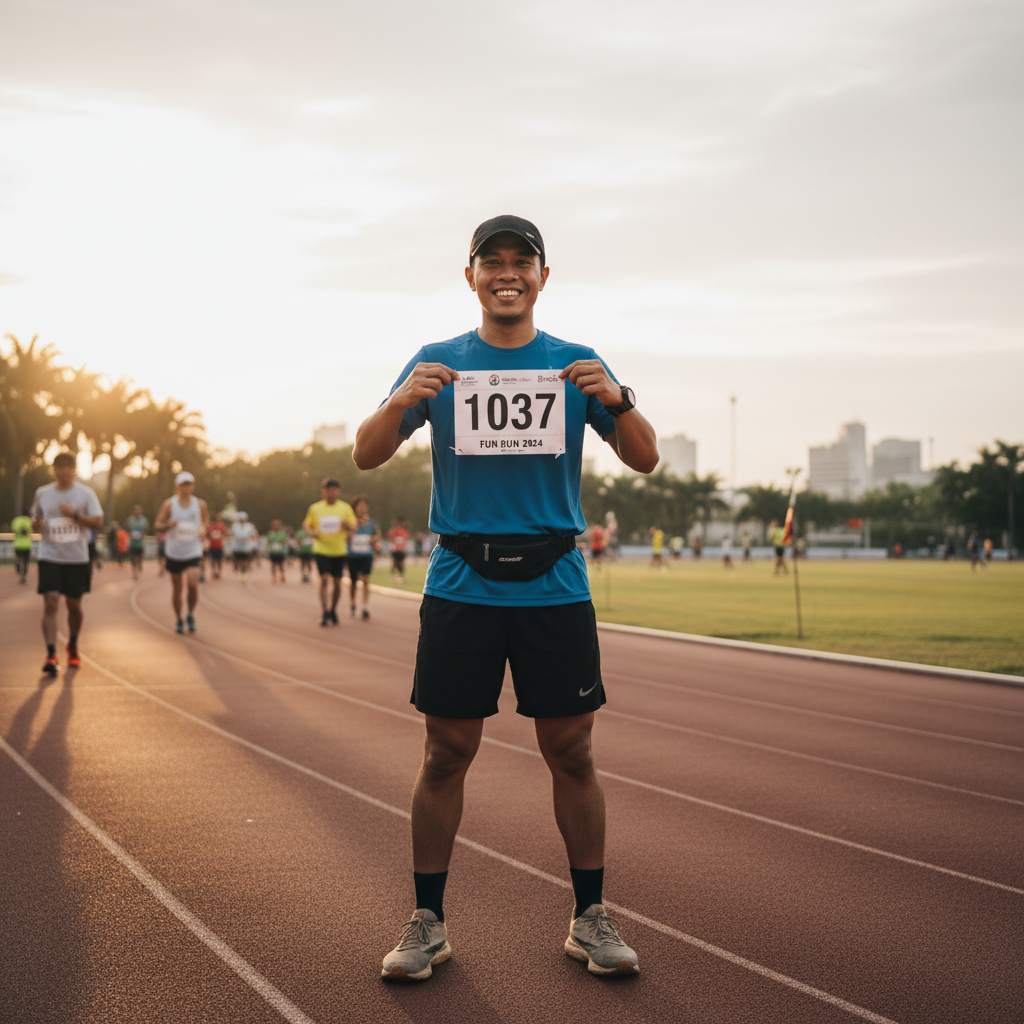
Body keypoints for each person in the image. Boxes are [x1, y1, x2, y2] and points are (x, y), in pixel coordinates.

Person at [353, 214, 658, 982]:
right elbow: (365, 453)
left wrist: (616, 399)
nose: (508, 273)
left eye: (523, 262)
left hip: (555, 585)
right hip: (463, 583)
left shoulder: (576, 363)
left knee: (573, 752)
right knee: (445, 753)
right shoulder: (437, 362)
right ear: (471, 277)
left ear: (543, 278)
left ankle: (589, 916)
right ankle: (427, 922)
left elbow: (645, 458)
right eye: (493, 262)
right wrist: (401, 403)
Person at [29, 452, 104, 673]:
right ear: (54, 470)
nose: (64, 471)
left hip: (77, 558)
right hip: (50, 555)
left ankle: (72, 645)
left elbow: (99, 523)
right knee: (51, 601)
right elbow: (35, 521)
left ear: (74, 470)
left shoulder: (85, 494)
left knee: (74, 605)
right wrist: (37, 524)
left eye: (68, 467)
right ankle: (51, 654)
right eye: (59, 467)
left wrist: (76, 515)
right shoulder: (42, 493)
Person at [154, 472, 209, 633]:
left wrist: (203, 529)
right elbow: (158, 524)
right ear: (177, 487)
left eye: (189, 484)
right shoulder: (170, 504)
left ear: (193, 485)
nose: (186, 487)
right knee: (177, 589)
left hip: (193, 550)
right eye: (183, 484)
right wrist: (169, 525)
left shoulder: (200, 504)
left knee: (192, 584)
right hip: (174, 551)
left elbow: (205, 521)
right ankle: (179, 618)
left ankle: (190, 613)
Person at [303, 478, 357, 626]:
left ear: (338, 491)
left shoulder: (345, 508)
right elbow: (307, 525)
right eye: (328, 490)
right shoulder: (315, 508)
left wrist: (348, 526)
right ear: (323, 491)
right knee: (325, 579)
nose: (330, 493)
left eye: (333, 490)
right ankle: (324, 610)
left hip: (339, 551)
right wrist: (312, 532)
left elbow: (354, 527)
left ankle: (333, 608)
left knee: (338, 582)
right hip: (321, 549)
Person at [347, 496, 381, 619]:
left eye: (365, 506)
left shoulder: (371, 523)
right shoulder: (350, 522)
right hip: (353, 555)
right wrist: (352, 530)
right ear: (354, 508)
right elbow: (346, 536)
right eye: (360, 506)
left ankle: (364, 607)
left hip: (366, 555)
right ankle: (352, 603)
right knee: (353, 582)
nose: (362, 508)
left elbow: (378, 535)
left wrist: (373, 539)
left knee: (365, 579)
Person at [231, 512, 258, 580]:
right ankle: (240, 572)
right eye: (240, 519)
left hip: (246, 547)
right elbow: (232, 535)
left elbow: (253, 536)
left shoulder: (249, 526)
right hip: (237, 547)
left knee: (245, 561)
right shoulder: (235, 526)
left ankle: (244, 572)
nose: (241, 520)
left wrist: (253, 545)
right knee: (239, 561)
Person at [126, 504, 149, 580]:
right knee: (133, 558)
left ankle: (140, 565)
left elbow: (146, 530)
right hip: (132, 543)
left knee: (139, 558)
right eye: (135, 511)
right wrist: (130, 534)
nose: (137, 512)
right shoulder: (130, 520)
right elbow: (127, 529)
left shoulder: (144, 520)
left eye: (138, 511)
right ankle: (134, 573)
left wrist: (143, 534)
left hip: (140, 543)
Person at [12, 508, 33, 584]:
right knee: (25, 561)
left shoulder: (16, 521)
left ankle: (17, 566)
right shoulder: (29, 521)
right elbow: (31, 530)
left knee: (19, 558)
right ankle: (23, 576)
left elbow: (14, 530)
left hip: (18, 544)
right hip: (27, 544)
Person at [266, 519, 289, 584]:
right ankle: (274, 576)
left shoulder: (282, 533)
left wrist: (281, 542)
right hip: (273, 552)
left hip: (280, 551)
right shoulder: (270, 533)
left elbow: (285, 541)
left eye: (277, 525)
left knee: (281, 564)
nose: (276, 526)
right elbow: (268, 542)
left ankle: (282, 576)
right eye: (274, 525)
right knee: (273, 564)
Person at [388, 517, 410, 583]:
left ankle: (400, 574)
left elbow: (405, 538)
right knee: (397, 562)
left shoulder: (401, 530)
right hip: (396, 549)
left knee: (399, 562)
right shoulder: (394, 531)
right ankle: (398, 573)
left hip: (400, 549)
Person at [206, 514, 227, 580]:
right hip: (212, 546)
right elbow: (207, 535)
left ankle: (218, 572)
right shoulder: (209, 527)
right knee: (212, 560)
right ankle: (213, 571)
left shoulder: (221, 526)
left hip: (219, 546)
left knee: (219, 560)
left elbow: (224, 533)